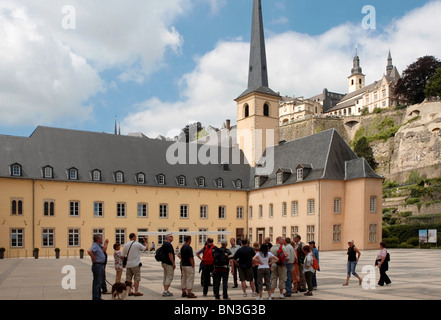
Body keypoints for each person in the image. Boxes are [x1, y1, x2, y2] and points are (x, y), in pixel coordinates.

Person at [87, 234, 108, 300]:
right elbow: (89, 251)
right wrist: (93, 257)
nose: (102, 239)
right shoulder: (95, 245)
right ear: (98, 239)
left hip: (100, 265)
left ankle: (98, 296)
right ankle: (96, 297)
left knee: (99, 282)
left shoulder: (98, 246)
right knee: (97, 282)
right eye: (101, 238)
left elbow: (104, 250)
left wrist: (106, 243)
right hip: (98, 266)